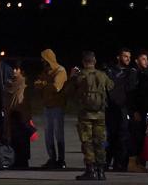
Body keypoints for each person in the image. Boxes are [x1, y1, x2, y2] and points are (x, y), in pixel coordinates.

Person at [67, 51, 114, 181]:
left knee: (87, 142)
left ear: (83, 62)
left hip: (85, 114)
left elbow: (68, 91)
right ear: (94, 61)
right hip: (100, 114)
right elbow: (111, 86)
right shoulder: (102, 75)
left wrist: (72, 77)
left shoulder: (80, 76)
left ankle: (90, 170)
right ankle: (101, 171)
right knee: (99, 142)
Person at [104, 48, 137, 172]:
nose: (128, 59)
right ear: (118, 57)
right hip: (111, 109)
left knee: (122, 137)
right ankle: (106, 162)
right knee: (110, 136)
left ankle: (120, 164)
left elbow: (131, 90)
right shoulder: (110, 70)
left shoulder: (131, 72)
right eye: (125, 56)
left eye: (129, 56)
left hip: (123, 109)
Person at [34, 48, 67, 170]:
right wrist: (44, 84)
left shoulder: (60, 71)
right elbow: (36, 83)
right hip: (47, 106)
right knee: (48, 134)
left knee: (58, 134)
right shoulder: (47, 71)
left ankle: (61, 160)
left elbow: (56, 87)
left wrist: (43, 84)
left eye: (44, 59)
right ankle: (52, 158)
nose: (42, 61)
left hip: (57, 107)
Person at [127, 50, 148, 173]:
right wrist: (134, 110)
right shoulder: (134, 73)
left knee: (140, 137)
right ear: (136, 60)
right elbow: (131, 93)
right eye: (143, 59)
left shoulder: (143, 73)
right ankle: (132, 164)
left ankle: (138, 163)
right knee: (135, 136)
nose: (146, 61)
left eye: (147, 59)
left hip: (142, 110)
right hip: (137, 111)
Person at [3, 60, 32, 169]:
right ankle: (16, 161)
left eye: (17, 69)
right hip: (11, 114)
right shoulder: (9, 82)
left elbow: (24, 99)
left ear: (21, 71)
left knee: (22, 140)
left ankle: (23, 162)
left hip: (20, 114)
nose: (14, 71)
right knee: (14, 139)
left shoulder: (22, 82)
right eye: (13, 69)